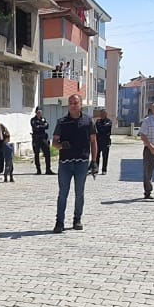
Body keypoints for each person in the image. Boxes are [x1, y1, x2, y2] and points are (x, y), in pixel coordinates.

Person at [51, 94, 97, 233]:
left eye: (75, 102)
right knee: (63, 193)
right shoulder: (62, 122)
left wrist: (94, 161)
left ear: (81, 104)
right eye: (70, 103)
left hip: (81, 162)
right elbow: (54, 142)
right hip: (65, 163)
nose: (73, 105)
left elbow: (94, 142)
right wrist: (60, 146)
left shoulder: (88, 121)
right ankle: (59, 222)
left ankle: (77, 219)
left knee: (79, 193)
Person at [30, 106, 52, 175]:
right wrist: (42, 126)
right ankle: (38, 170)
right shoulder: (33, 120)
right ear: (36, 113)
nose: (39, 114)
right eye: (38, 112)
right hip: (36, 139)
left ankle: (48, 169)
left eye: (40, 112)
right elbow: (36, 128)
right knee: (36, 154)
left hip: (43, 138)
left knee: (47, 153)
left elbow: (47, 126)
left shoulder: (43, 119)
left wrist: (40, 126)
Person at [93, 107, 114, 175]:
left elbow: (106, 129)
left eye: (103, 114)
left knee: (105, 156)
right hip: (98, 141)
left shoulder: (109, 121)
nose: (102, 115)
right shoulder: (98, 121)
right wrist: (101, 129)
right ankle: (96, 169)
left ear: (106, 114)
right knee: (97, 156)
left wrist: (101, 129)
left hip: (105, 141)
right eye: (101, 114)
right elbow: (96, 129)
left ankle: (104, 170)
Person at [0, 116, 13, 183]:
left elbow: (7, 132)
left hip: (2, 143)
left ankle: (9, 176)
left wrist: (7, 139)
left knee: (9, 164)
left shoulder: (1, 126)